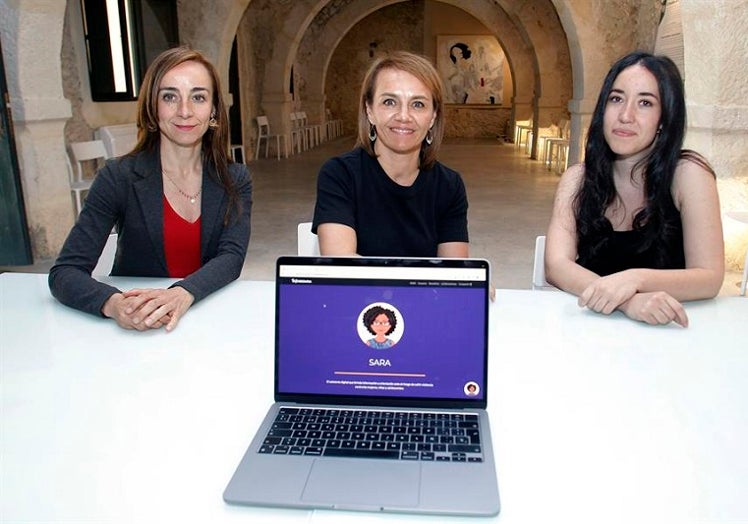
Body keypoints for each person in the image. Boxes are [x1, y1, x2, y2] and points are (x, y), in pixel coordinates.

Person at [49, 46, 252, 332]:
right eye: (170, 96)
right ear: (152, 107)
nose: (185, 111)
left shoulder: (234, 177)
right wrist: (114, 304)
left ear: (214, 109)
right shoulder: (118, 176)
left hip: (206, 315)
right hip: (137, 324)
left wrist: (181, 294)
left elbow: (231, 257)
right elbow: (64, 273)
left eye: (198, 97)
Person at [545, 51, 724, 327]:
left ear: (664, 118)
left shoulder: (688, 174)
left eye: (645, 103)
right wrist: (627, 301)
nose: (626, 115)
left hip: (666, 334)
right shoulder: (577, 179)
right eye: (616, 99)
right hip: (591, 330)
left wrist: (635, 279)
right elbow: (556, 266)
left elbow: (709, 277)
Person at [312, 50, 469, 259]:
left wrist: (471, 281)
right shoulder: (340, 175)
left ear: (432, 117)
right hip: (359, 293)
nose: (403, 116)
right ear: (369, 110)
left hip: (421, 293)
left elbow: (453, 272)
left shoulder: (449, 186)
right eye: (389, 102)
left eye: (418, 104)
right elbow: (342, 264)